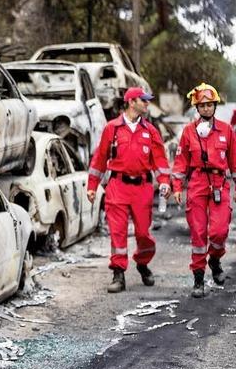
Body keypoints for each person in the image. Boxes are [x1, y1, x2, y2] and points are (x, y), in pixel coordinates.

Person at [87, 87, 171, 293]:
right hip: (117, 187)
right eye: (144, 100)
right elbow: (99, 159)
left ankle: (142, 263)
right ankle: (118, 273)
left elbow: (159, 160)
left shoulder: (150, 131)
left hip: (142, 188)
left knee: (143, 233)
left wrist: (165, 181)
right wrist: (92, 186)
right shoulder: (112, 128)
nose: (147, 103)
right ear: (132, 101)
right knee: (118, 234)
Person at [172, 83, 235, 298]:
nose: (206, 108)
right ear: (196, 108)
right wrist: (177, 187)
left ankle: (215, 260)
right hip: (198, 182)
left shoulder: (226, 130)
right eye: (202, 105)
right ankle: (198, 279)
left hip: (219, 183)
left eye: (210, 104)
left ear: (215, 105)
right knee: (198, 233)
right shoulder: (188, 131)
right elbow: (181, 162)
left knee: (219, 231)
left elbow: (234, 163)